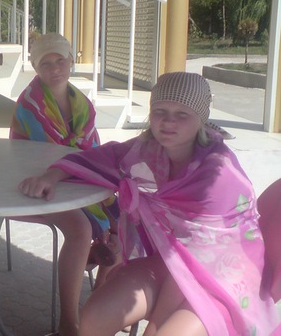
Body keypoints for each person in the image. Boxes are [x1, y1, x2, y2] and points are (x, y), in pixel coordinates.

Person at [18, 72, 280, 335]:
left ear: (201, 118)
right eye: (160, 111)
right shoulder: (149, 148)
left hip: (223, 276)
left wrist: (153, 328)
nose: (168, 122)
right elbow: (103, 158)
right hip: (173, 262)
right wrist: (52, 176)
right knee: (94, 318)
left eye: (182, 114)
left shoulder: (217, 175)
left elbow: (194, 260)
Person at [10, 34, 118, 336]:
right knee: (80, 230)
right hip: (36, 183)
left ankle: (99, 304)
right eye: (46, 63)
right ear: (36, 68)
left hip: (77, 178)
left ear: (71, 61)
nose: (55, 68)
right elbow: (40, 158)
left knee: (125, 218)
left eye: (60, 60)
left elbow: (91, 151)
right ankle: (68, 324)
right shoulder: (29, 104)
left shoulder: (82, 103)